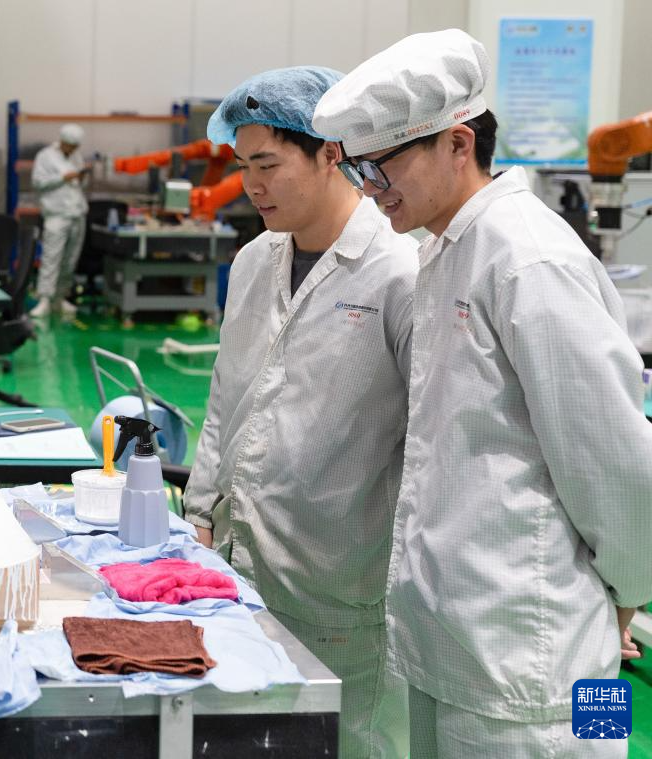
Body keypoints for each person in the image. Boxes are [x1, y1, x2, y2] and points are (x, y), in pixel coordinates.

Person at [312, 28, 652, 757]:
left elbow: (615, 460)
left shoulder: (528, 257)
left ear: (458, 143)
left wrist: (628, 591)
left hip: (542, 668)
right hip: (461, 650)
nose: (369, 190)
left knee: (594, 740)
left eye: (380, 167)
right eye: (358, 170)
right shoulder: (446, 247)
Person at [183, 66, 418, 758]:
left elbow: (431, 438)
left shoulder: (398, 270)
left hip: (344, 575)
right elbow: (227, 396)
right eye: (244, 167)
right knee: (252, 736)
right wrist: (199, 511)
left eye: (268, 165)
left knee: (350, 740)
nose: (252, 186)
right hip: (242, 561)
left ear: (330, 153)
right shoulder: (254, 261)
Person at [29, 123, 89, 318]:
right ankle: (45, 299)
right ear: (62, 141)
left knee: (70, 260)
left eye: (75, 147)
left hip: (77, 213)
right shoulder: (45, 156)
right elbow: (38, 182)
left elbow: (80, 184)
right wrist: (63, 177)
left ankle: (60, 297)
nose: (72, 149)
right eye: (70, 146)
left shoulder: (77, 156)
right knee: (51, 258)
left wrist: (81, 178)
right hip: (56, 214)